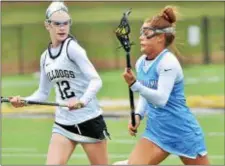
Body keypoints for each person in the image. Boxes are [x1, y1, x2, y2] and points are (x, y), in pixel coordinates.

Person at [9, 1, 110, 165]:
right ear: (47, 25)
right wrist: (25, 101)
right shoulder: (45, 57)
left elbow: (96, 80)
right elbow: (42, 93)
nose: (62, 28)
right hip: (63, 123)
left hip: (88, 120)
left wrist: (82, 101)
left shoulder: (73, 49)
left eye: (65, 23)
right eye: (57, 24)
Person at [114, 6, 210, 165]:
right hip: (156, 132)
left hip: (182, 132)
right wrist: (138, 115)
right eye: (141, 33)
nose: (141, 38)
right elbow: (146, 96)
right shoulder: (141, 63)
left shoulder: (168, 63)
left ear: (161, 37)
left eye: (146, 33)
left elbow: (160, 99)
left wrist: (134, 84)